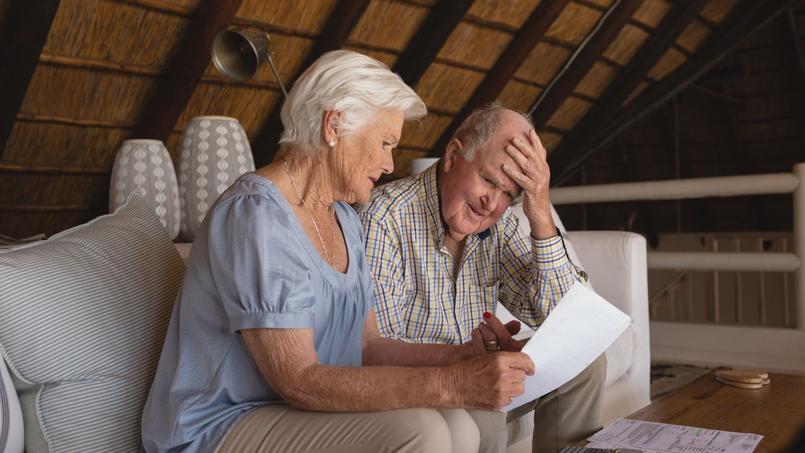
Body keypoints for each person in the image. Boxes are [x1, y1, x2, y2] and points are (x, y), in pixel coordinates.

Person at [140, 51, 536, 453]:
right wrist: (449, 384)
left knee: (464, 424)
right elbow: (297, 378)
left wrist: (459, 359)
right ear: (334, 125)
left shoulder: (344, 218)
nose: (388, 163)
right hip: (220, 425)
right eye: (384, 143)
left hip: (294, 411)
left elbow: (367, 348)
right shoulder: (256, 217)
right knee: (424, 430)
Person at [358, 103, 607, 452]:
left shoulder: (500, 225)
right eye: (489, 180)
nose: (492, 203)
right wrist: (467, 360)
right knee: (485, 402)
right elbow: (375, 350)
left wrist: (539, 211)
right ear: (453, 156)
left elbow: (568, 318)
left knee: (586, 361)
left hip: (477, 369)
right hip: (425, 384)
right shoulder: (385, 218)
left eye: (509, 193)